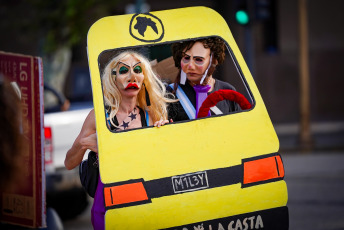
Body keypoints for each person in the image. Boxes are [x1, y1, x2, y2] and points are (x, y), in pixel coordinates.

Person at [64, 50, 174, 230]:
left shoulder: (152, 115)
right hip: (109, 204)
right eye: (124, 71)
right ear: (113, 78)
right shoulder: (98, 118)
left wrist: (165, 137)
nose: (132, 76)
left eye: (137, 70)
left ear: (143, 77)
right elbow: (69, 163)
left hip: (145, 200)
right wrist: (86, 143)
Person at [167, 37, 240, 122]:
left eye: (198, 59)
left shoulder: (228, 91)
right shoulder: (171, 92)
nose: (190, 66)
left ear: (214, 61)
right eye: (186, 58)